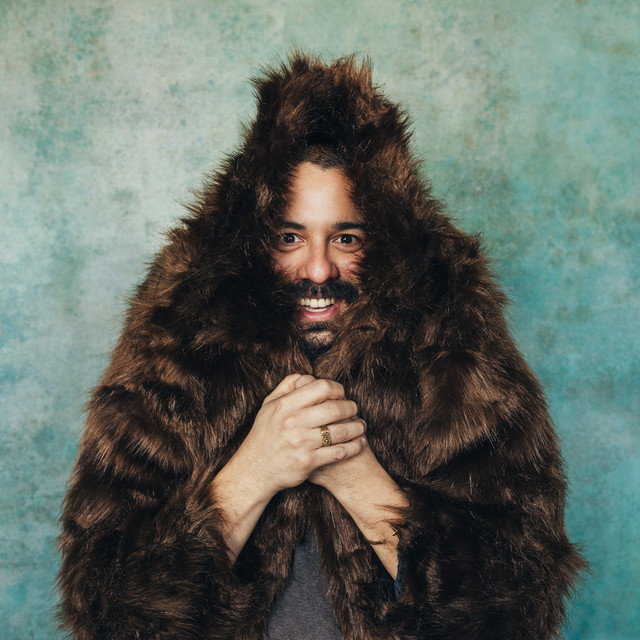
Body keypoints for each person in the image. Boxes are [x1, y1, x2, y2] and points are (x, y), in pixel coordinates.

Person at [58, 54, 583, 639]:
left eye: (347, 237)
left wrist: (357, 477)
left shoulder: (455, 340)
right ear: (250, 243)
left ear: (389, 243)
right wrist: (254, 472)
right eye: (289, 236)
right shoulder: (177, 338)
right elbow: (105, 613)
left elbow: (514, 614)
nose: (317, 268)